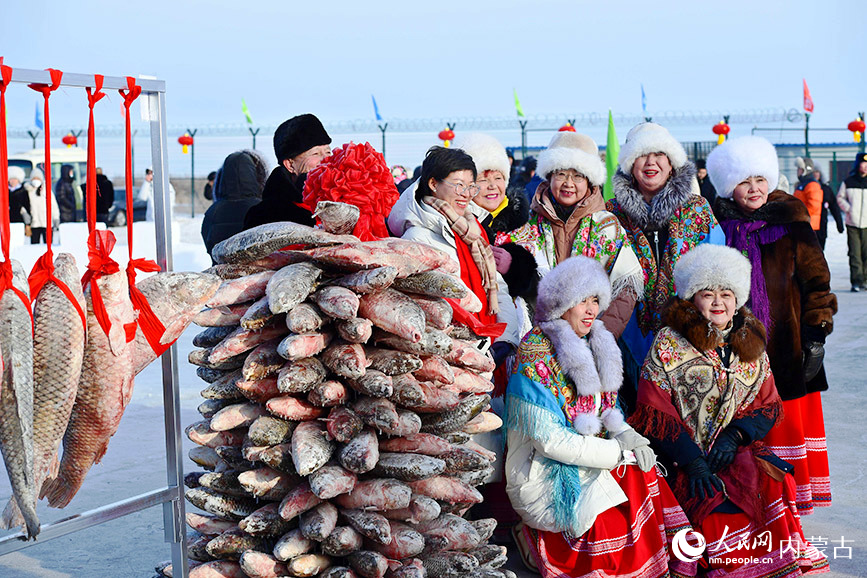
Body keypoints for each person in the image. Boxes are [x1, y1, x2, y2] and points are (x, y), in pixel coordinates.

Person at [630, 243, 829, 576]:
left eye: (726, 293)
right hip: (682, 455)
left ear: (738, 298)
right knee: (707, 495)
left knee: (766, 480)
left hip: (729, 450)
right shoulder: (668, 342)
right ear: (692, 299)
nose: (718, 302)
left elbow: (766, 402)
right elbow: (655, 408)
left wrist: (735, 436)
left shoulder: (751, 341)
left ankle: (760, 560)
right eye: (707, 294)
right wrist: (692, 461)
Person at [504, 256, 696, 578]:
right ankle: (534, 540)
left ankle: (655, 565)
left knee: (644, 477)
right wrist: (617, 453)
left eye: (596, 300)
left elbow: (608, 411)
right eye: (582, 300)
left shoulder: (598, 342)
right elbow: (550, 441)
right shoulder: (535, 351)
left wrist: (628, 437)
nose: (591, 309)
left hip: (588, 457)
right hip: (545, 471)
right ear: (562, 302)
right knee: (609, 527)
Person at [708, 136, 837, 515]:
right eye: (744, 181)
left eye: (760, 180)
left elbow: (818, 282)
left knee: (788, 423)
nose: (754, 189)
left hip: (789, 344)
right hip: (740, 346)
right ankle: (759, 496)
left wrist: (816, 336)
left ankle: (793, 499)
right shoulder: (720, 226)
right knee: (748, 423)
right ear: (730, 186)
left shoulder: (792, 219)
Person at [606, 122, 723, 412]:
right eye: (642, 155)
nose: (651, 162)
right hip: (626, 338)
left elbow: (718, 272)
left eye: (659, 154)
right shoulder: (610, 214)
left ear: (671, 163)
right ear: (630, 165)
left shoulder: (698, 209)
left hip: (688, 339)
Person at [496, 132, 643, 339]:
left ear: (590, 181)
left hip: (593, 340)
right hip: (537, 340)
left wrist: (601, 336)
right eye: (561, 174)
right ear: (549, 177)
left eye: (578, 175)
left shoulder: (606, 226)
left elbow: (625, 289)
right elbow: (520, 290)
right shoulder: (528, 225)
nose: (568, 183)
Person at [387, 146, 521, 358]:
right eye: (459, 185)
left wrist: (505, 339)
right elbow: (430, 309)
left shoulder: (473, 229)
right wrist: (472, 351)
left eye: (470, 187)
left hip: (492, 347)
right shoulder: (416, 238)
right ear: (433, 184)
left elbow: (499, 288)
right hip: (453, 358)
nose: (466, 195)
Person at [456, 133, 533, 299]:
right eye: (483, 180)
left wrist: (514, 267)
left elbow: (541, 282)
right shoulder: (455, 223)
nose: (492, 186)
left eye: (498, 178)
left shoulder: (526, 222)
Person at [243, 114, 332, 229]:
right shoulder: (265, 214)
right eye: (315, 154)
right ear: (290, 165)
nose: (326, 159)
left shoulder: (345, 203)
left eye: (328, 152)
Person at [201, 150, 269, 260]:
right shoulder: (264, 208)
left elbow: (209, 247)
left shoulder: (212, 212)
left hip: (221, 274)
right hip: (261, 275)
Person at [836, 152, 867, 292]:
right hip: (852, 223)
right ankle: (856, 281)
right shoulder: (849, 181)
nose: (865, 167)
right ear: (858, 164)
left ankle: (865, 281)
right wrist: (849, 209)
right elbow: (840, 198)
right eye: (863, 163)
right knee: (855, 253)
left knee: (866, 254)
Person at [812, 168, 844, 250]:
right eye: (813, 172)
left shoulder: (826, 189)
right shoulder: (804, 187)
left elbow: (834, 207)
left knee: (820, 252)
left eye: (817, 172)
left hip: (822, 226)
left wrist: (839, 224)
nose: (815, 174)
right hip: (809, 227)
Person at [26, 168, 59, 244]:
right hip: (34, 223)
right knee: (34, 245)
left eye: (38, 178)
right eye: (34, 178)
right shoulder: (28, 191)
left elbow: (54, 206)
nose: (36, 180)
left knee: (48, 244)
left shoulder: (46, 190)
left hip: (47, 223)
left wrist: (56, 218)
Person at [794, 157, 823, 232]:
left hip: (808, 225)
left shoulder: (812, 185)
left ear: (805, 170)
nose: (797, 171)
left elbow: (814, 206)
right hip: (801, 224)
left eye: (799, 169)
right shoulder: (802, 184)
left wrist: (799, 216)